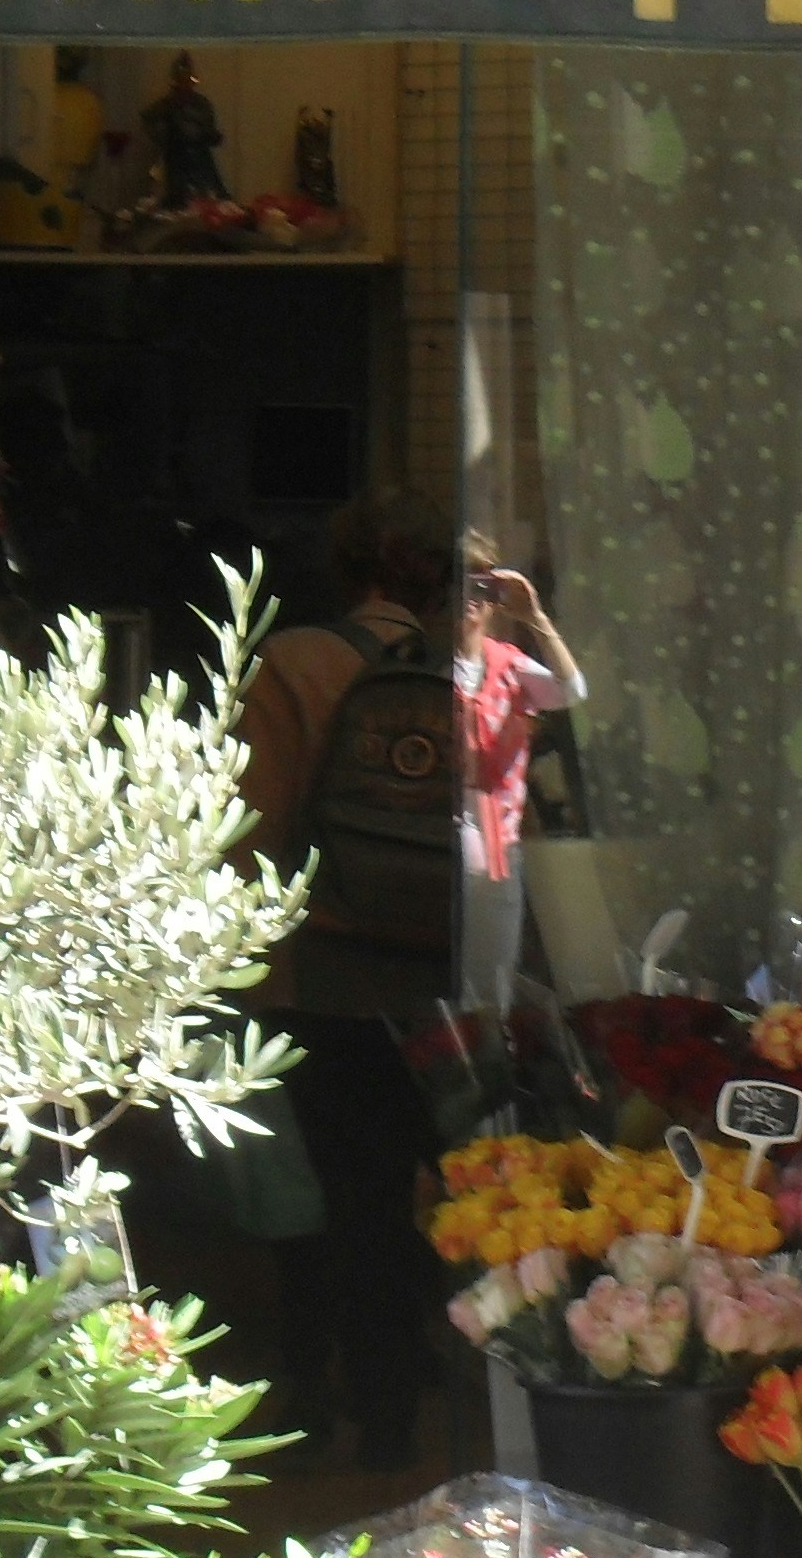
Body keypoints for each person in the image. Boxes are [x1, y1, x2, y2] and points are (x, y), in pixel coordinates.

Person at [233, 489, 460, 1465]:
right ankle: (396, 1395)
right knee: (399, 1186)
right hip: (431, 977)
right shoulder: (464, 677)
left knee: (313, 1199)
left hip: (314, 972)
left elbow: (251, 827)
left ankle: (313, 1393)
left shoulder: (291, 664)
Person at [455, 537, 583, 992]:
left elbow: (572, 691)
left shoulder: (507, 664)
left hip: (496, 846)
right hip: (438, 843)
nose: (470, 598)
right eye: (459, 583)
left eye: (482, 587)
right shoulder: (427, 663)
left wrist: (535, 617)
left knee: (492, 990)